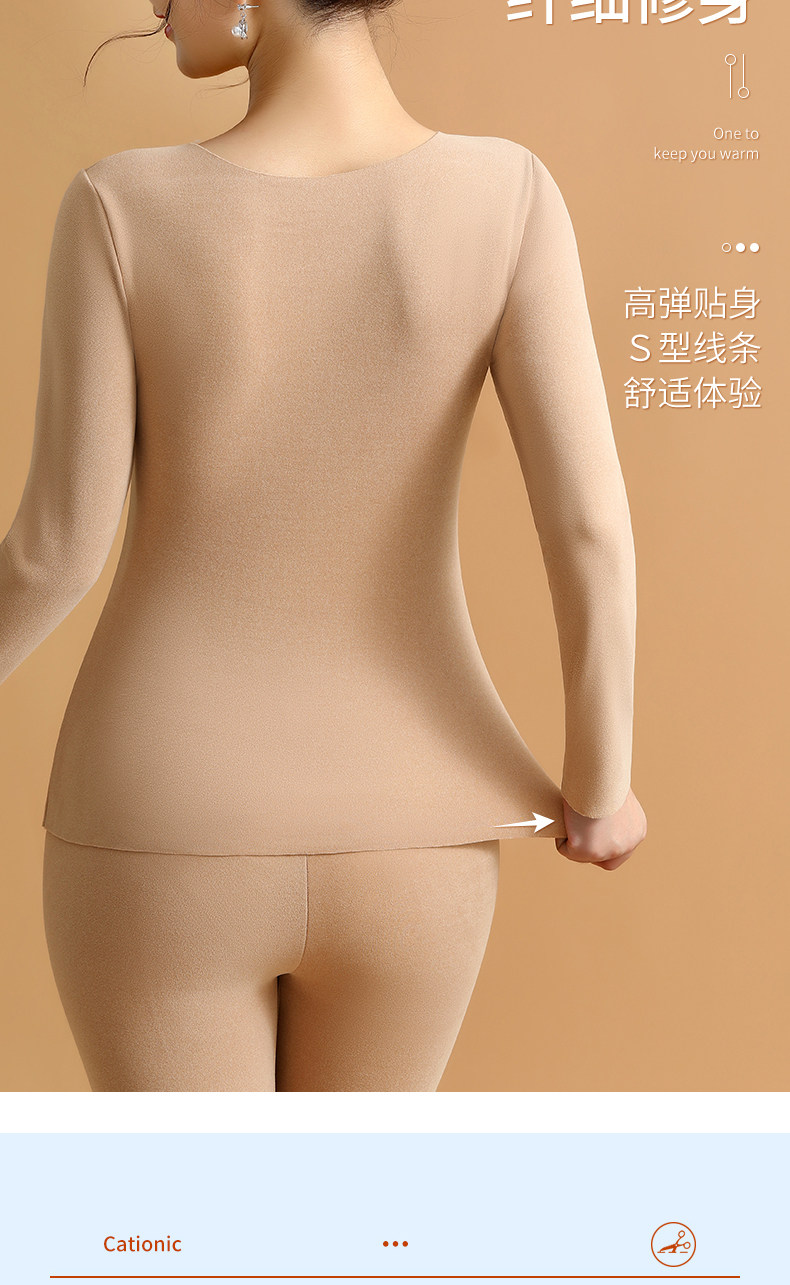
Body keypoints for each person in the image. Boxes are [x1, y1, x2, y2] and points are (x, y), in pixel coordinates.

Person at [0, 0, 647, 1092]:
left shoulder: (119, 205)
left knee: (180, 1208)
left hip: (164, 820)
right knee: (350, 1206)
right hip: (418, 834)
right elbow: (587, 524)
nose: (157, 6)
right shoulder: (508, 195)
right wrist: (599, 784)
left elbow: (55, 553)